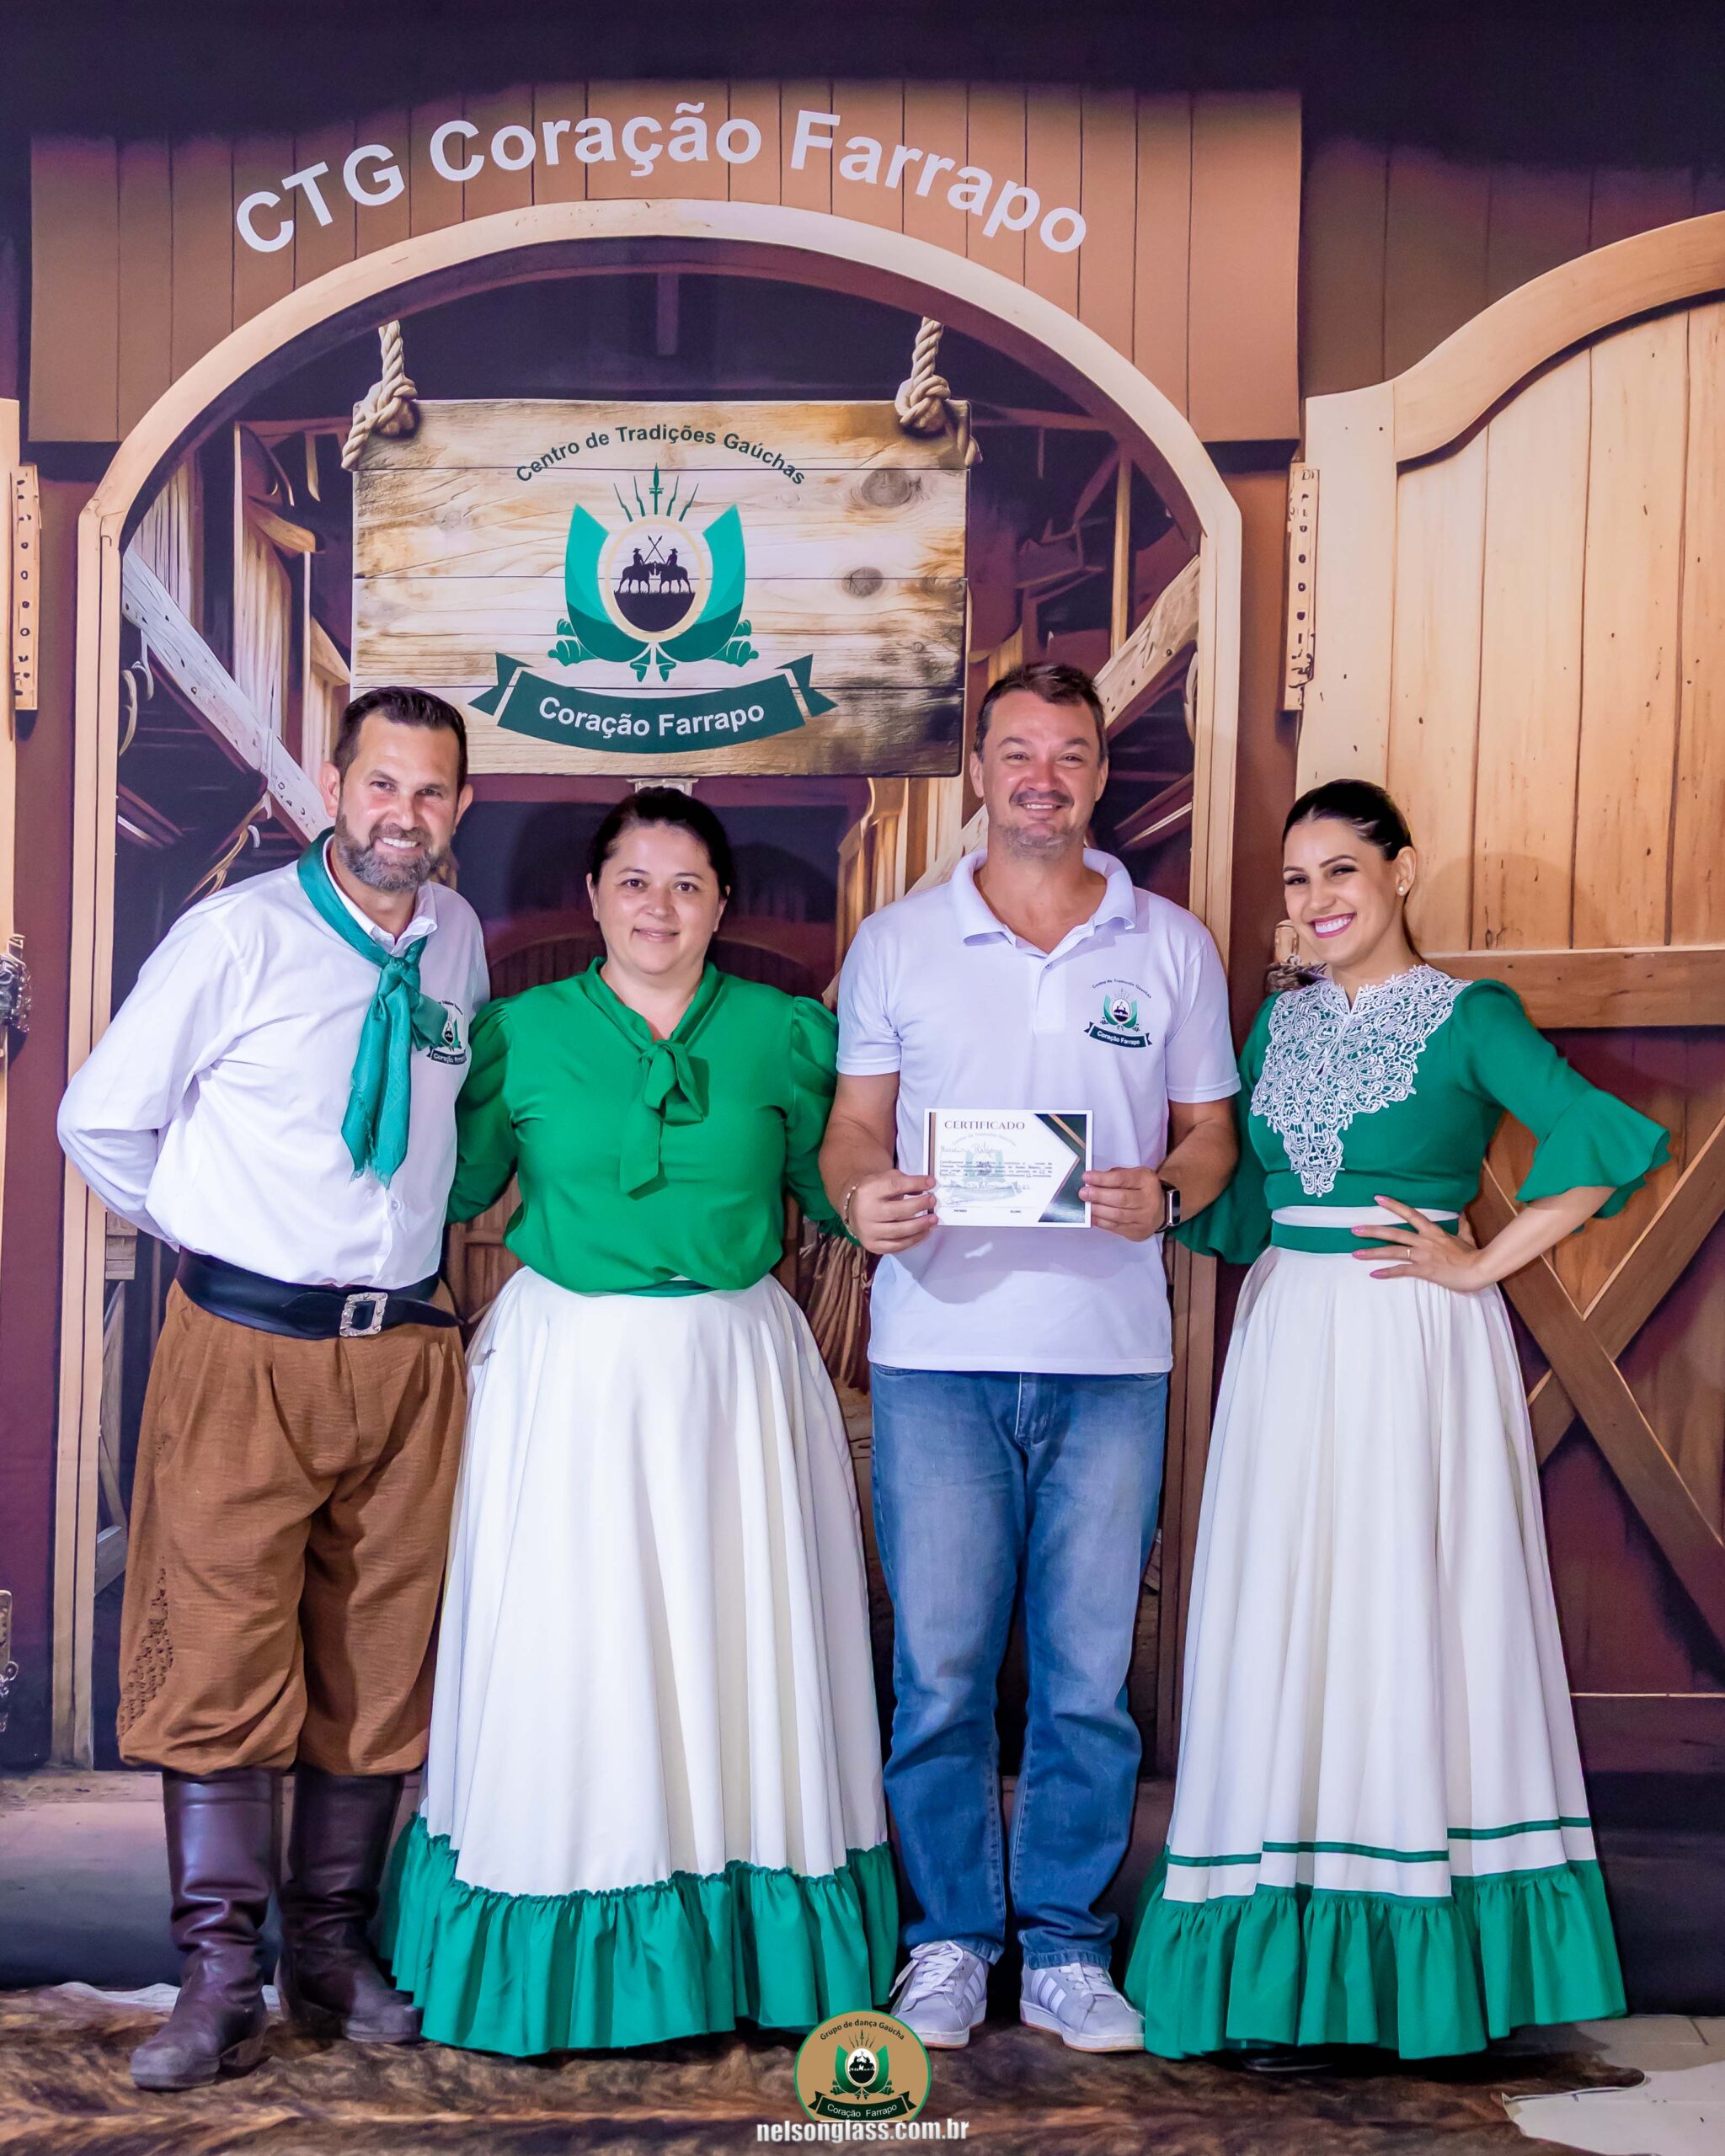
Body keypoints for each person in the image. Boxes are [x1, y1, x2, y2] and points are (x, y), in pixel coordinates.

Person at [1124, 778, 1668, 2061]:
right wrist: (1147, 1194)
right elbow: (1242, 1196)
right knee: (1287, 1611)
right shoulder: (1281, 1022)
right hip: (1287, 1332)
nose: (1317, 899)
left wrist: (1481, 1265)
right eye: (1297, 878)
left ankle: (1418, 1961)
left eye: (1342, 871)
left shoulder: (1473, 1015)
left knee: (1405, 1605)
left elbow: (1597, 1135)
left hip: (1411, 1337)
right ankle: (1276, 1967)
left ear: (1402, 873)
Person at [380, 788, 895, 2054]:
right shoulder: (521, 1032)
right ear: (595, 895)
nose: (658, 907)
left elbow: (834, 1182)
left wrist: (889, 1200)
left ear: (722, 905)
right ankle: (560, 1941)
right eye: (633, 881)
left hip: (735, 1377)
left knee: (738, 1643)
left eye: (686, 885)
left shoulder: (785, 1032)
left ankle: (744, 1948)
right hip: (568, 1374)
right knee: (576, 1647)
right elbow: (452, 1182)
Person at [56, 687, 488, 2090]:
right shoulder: (235, 935)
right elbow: (98, 1118)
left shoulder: (458, 940)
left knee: (376, 1659)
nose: (403, 816)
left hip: (406, 1351)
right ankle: (217, 1975)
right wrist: (218, 1231)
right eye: (382, 785)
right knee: (222, 1653)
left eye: (430, 791)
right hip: (244, 1345)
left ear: (460, 806)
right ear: (334, 785)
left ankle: (332, 1951)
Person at [820, 662, 1240, 2052]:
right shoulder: (899, 941)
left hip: (1110, 1359)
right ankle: (949, 1938)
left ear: (1100, 774)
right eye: (1017, 751)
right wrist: (861, 1197)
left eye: (1069, 753)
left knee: (1084, 1679)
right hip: (936, 1354)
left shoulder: (1169, 945)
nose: (1041, 778)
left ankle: (1064, 1944)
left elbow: (1210, 1135)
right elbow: (854, 1127)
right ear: (980, 772)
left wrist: (1164, 1194)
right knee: (940, 1673)